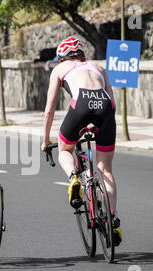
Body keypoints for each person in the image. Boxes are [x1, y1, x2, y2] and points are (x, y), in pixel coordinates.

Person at [41, 36, 122, 246]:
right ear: (82, 54)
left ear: (63, 57)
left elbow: (49, 109)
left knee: (64, 149)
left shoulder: (60, 69)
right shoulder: (98, 67)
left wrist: (45, 140)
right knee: (105, 169)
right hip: (105, 108)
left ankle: (74, 177)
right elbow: (112, 102)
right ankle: (112, 219)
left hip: (81, 104)